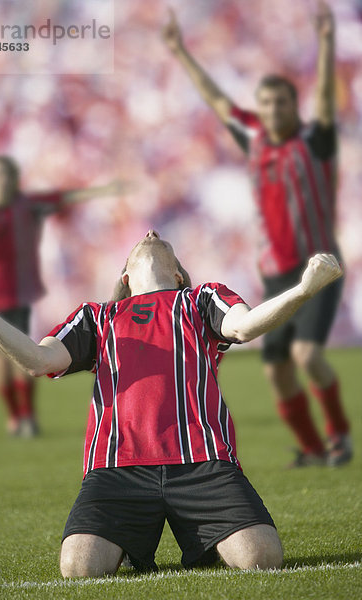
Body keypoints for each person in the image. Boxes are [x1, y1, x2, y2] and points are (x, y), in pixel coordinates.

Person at [0, 229, 343, 575]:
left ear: (179, 275)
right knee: (78, 568)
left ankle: (202, 540)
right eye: (142, 239)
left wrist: (304, 290)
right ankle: (135, 540)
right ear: (125, 279)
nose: (150, 231)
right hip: (117, 468)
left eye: (162, 240)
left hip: (202, 463)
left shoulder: (200, 299)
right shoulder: (97, 317)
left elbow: (243, 326)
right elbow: (38, 359)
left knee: (262, 558)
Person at [162, 2, 351, 467]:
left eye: (280, 102)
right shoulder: (255, 138)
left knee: (307, 355)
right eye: (265, 103)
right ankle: (310, 448)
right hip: (274, 272)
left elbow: (325, 99)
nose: (271, 109)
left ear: (294, 106)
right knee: (278, 373)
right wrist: (181, 52)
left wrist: (326, 42)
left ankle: (339, 438)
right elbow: (218, 101)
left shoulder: (314, 140)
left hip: (316, 265)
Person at [0, 155, 132, 437]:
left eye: (6, 176)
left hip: (18, 294)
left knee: (21, 356)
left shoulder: (23, 205)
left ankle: (27, 416)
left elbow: (64, 197)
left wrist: (104, 190)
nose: (1, 182)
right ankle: (15, 417)